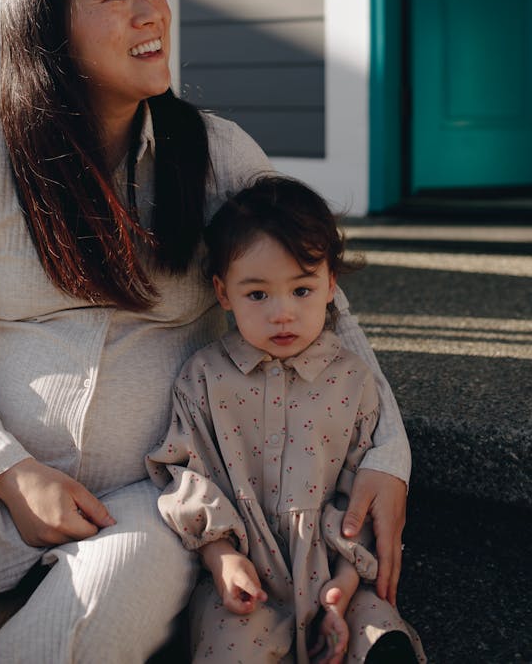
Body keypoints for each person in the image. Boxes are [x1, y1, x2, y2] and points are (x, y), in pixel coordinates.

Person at [0, 0, 411, 664]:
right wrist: (12, 470)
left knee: (97, 614)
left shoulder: (216, 153)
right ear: (50, 33)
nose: (150, 11)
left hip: (154, 490)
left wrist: (390, 452)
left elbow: (328, 305)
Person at [147, 177, 424, 663]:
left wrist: (343, 581)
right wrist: (221, 556)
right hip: (243, 573)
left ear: (330, 287)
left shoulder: (352, 380)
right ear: (223, 293)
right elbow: (187, 475)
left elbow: (356, 491)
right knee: (230, 645)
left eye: (301, 289)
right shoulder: (204, 378)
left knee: (380, 637)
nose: (283, 314)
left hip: (336, 569)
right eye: (258, 295)